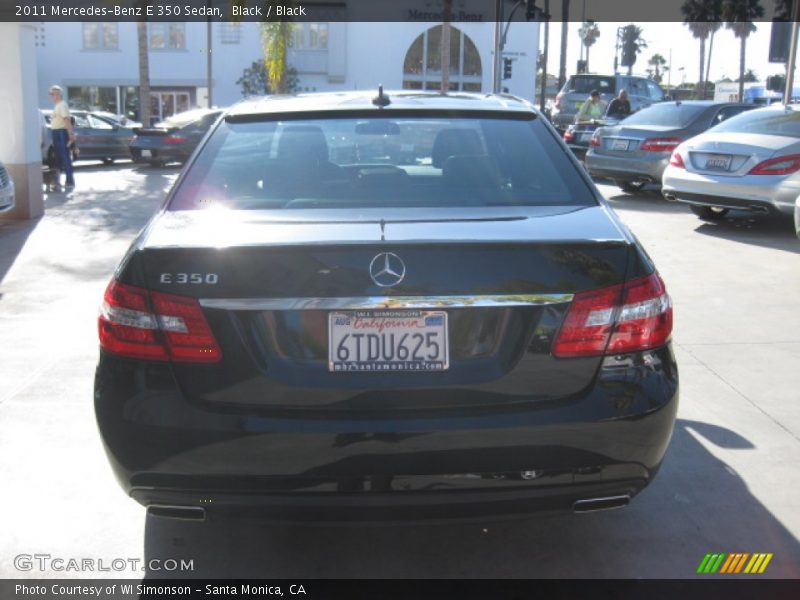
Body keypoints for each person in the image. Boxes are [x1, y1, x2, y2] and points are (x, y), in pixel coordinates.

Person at [48, 85, 75, 189]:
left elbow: (66, 120)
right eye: (50, 94)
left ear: (58, 94)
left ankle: (70, 181)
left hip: (61, 133)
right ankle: (57, 181)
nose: (51, 96)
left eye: (52, 94)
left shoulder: (62, 105)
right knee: (58, 158)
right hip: (56, 132)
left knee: (65, 157)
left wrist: (70, 134)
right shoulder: (57, 106)